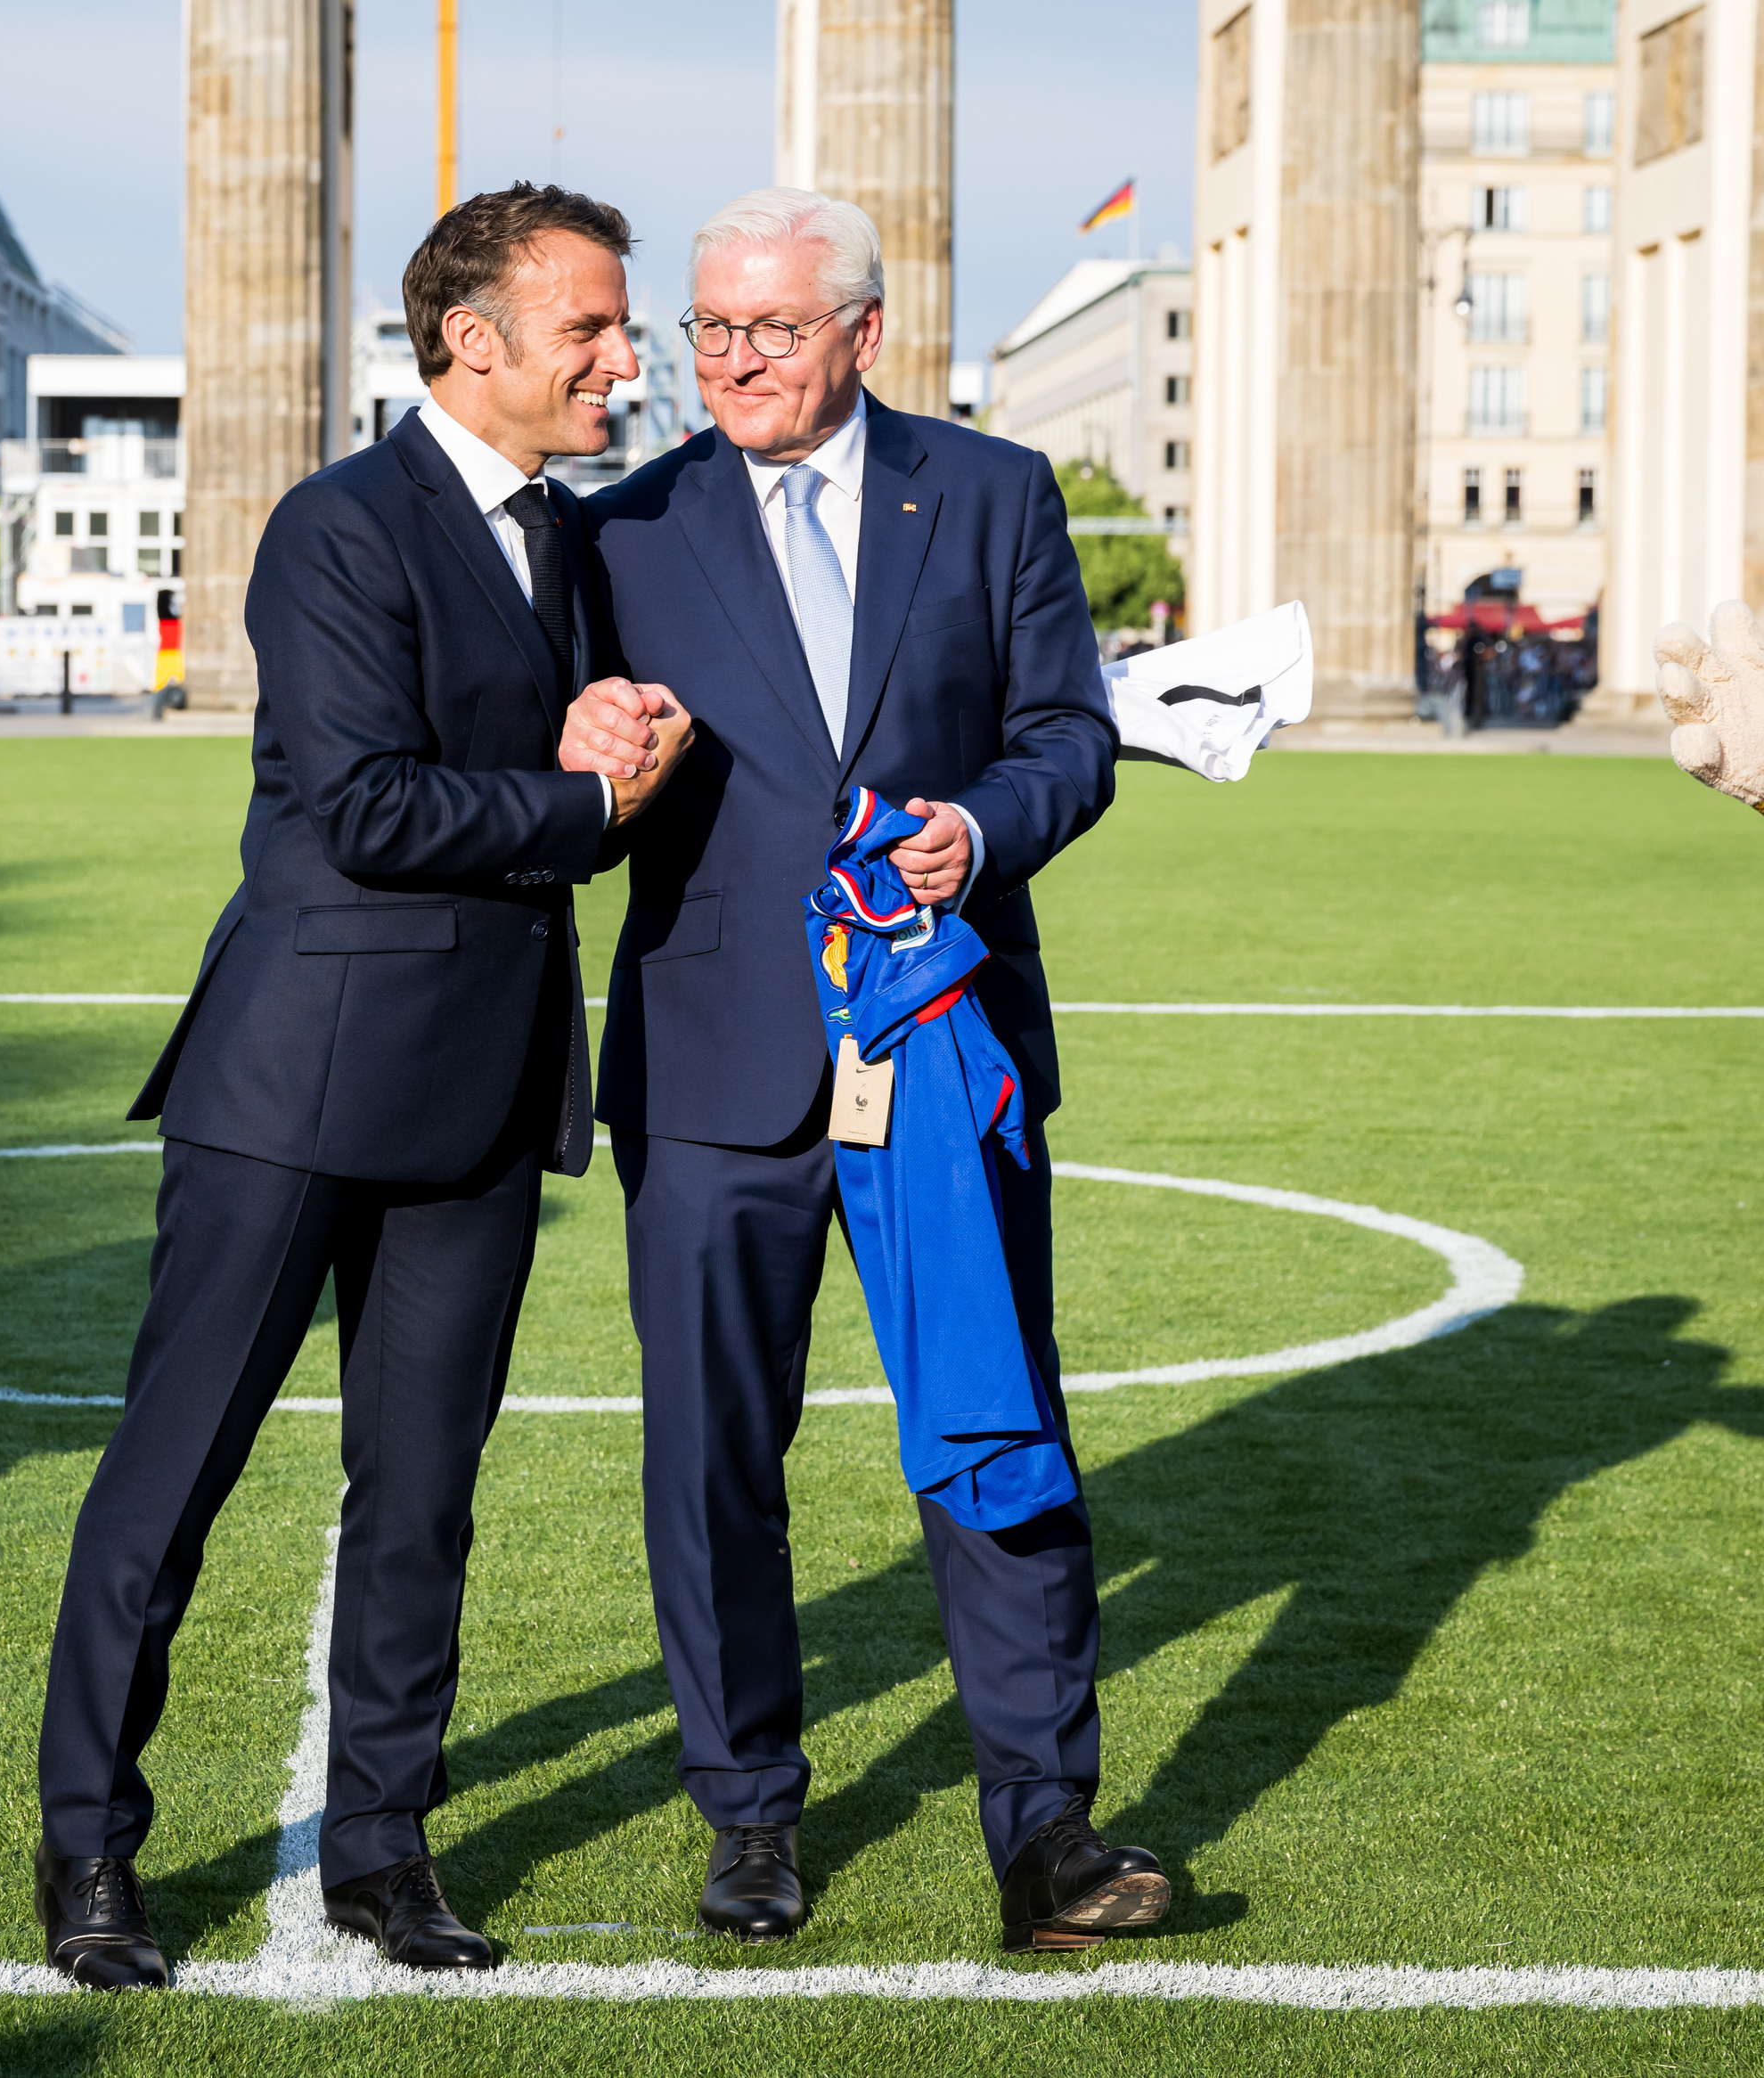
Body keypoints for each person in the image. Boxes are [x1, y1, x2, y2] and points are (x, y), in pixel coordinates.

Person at [33, 184, 693, 1991]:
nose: (622, 361)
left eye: (620, 327)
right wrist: (586, 798)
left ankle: (384, 1847)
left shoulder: (572, 538)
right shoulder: (337, 523)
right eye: (589, 328)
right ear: (472, 339)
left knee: (422, 1497)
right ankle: (89, 1843)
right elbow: (362, 802)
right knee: (172, 1479)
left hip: (484, 1089)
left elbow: (581, 755)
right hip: (294, 1080)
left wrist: (629, 734)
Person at [569, 188, 1164, 1957]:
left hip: (943, 1050)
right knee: (711, 1460)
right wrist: (584, 744)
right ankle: (749, 1810)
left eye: (770, 327)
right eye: (709, 328)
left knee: (993, 1423)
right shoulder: (620, 529)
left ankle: (1045, 1826)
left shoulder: (991, 492)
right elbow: (569, 772)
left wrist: (979, 831)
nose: (731, 360)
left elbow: (1069, 738)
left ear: (865, 333)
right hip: (710, 1072)